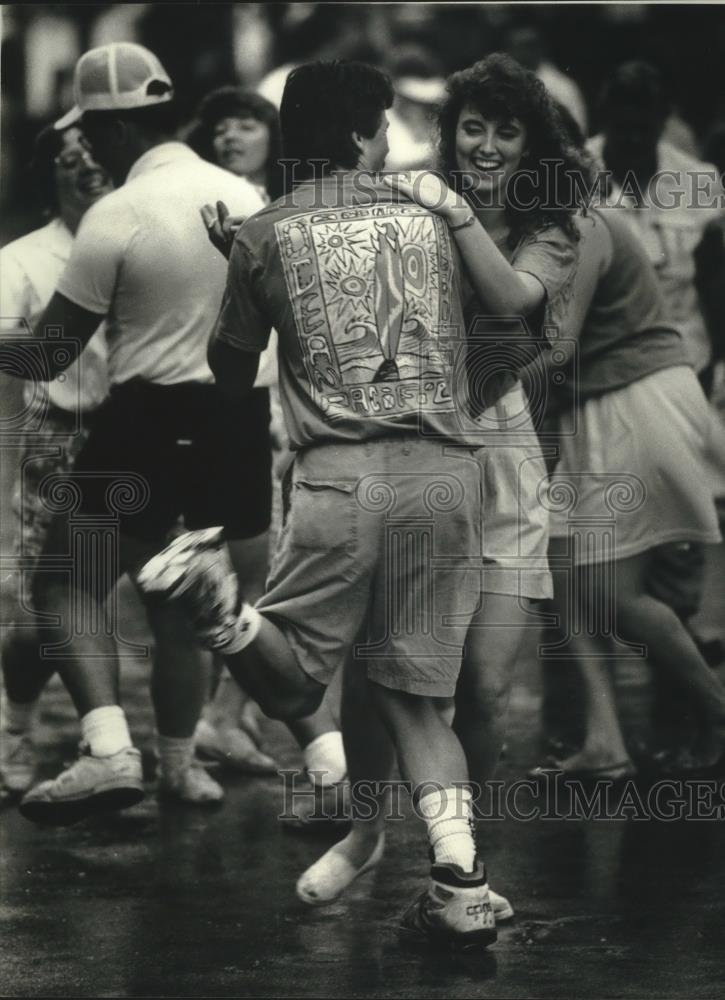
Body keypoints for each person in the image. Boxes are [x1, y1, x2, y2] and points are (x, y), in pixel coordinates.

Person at [137, 58, 524, 948]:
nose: (389, 140)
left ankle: (221, 610)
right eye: (382, 126)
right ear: (359, 133)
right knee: (420, 701)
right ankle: (461, 880)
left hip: (338, 480)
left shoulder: (264, 231)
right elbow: (504, 312)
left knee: (293, 676)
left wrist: (241, 262)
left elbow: (231, 373)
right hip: (444, 475)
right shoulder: (431, 214)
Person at [294, 53, 586, 913]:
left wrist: (448, 209)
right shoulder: (401, 191)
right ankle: (365, 830)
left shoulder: (551, 223)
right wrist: (240, 236)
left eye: (506, 130)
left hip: (498, 454)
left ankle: (457, 865)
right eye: (473, 126)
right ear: (450, 130)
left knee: (481, 684)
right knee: (381, 665)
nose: (487, 145)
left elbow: (508, 302)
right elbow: (313, 234)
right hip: (407, 445)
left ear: (530, 142)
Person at [0, 42, 267, 824]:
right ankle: (274, 762)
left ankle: (112, 750)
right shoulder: (244, 195)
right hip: (237, 419)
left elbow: (52, 351)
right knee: (198, 607)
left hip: (150, 417)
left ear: (115, 132)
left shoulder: (116, 213)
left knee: (63, 581)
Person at [188, 85, 348, 800]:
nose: (230, 135)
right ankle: (232, 720)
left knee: (270, 576)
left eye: (245, 122)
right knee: (255, 576)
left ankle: (228, 715)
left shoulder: (284, 205)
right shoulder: (205, 201)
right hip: (225, 400)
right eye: (219, 125)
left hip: (284, 407)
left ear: (273, 134)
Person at [527, 203, 725, 780]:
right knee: (565, 574)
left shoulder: (583, 221)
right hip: (585, 413)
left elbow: (558, 347)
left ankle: (717, 714)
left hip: (633, 400)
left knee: (616, 594)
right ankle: (605, 742)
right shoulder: (521, 232)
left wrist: (467, 395)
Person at [588, 60, 725, 762]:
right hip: (597, 383)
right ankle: (599, 723)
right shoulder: (574, 174)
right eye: (623, 112)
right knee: (601, 540)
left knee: (673, 528)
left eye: (647, 113)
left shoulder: (694, 178)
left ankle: (685, 693)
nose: (634, 127)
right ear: (605, 112)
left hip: (681, 368)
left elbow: (713, 276)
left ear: (664, 114)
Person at [0, 123, 111, 795]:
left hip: (147, 430)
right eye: (71, 161)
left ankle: (177, 748)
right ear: (52, 176)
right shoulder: (22, 259)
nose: (87, 169)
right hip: (56, 438)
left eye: (96, 157)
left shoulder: (142, 237)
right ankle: (16, 726)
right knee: (47, 607)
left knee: (174, 592)